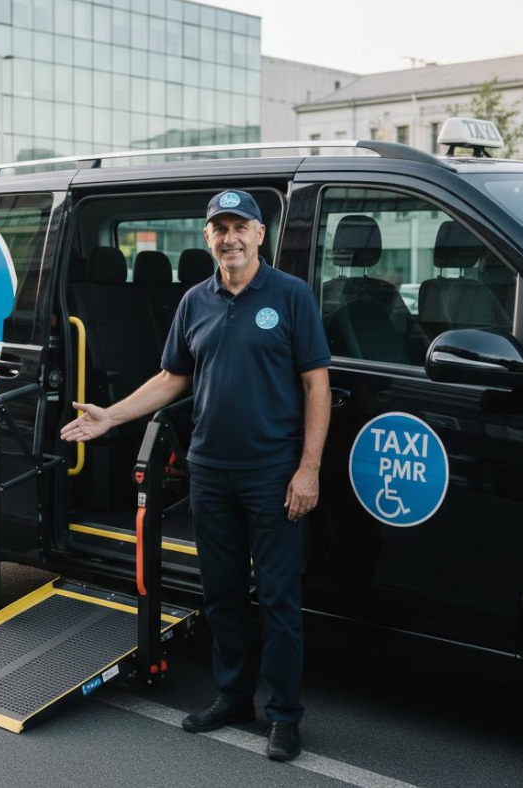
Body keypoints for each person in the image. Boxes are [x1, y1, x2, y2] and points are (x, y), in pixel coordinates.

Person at [61, 189, 331, 762]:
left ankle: (284, 715)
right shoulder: (195, 302)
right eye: (219, 228)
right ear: (207, 237)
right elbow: (170, 378)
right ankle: (233, 698)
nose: (230, 238)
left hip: (273, 473)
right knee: (223, 594)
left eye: (241, 227)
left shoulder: (290, 296)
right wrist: (109, 416)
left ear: (261, 234)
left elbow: (317, 385)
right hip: (211, 471)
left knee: (279, 599)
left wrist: (308, 469)